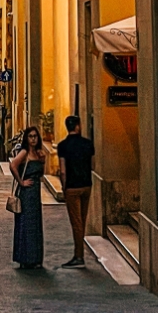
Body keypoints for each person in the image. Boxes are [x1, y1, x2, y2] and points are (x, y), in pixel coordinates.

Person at [56, 114, 95, 268]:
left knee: (76, 223)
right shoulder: (88, 144)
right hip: (86, 185)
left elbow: (63, 170)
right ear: (78, 126)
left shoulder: (63, 146)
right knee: (82, 220)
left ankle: (78, 256)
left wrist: (64, 187)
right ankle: (79, 254)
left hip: (72, 186)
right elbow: (93, 165)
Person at [10, 125, 47, 270]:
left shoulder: (39, 154)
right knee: (26, 224)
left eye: (35, 136)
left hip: (35, 194)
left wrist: (43, 161)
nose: (33, 139)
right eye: (30, 136)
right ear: (26, 138)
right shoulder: (24, 152)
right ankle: (25, 257)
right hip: (26, 193)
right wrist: (21, 182)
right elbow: (13, 165)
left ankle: (35, 258)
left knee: (35, 224)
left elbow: (41, 174)